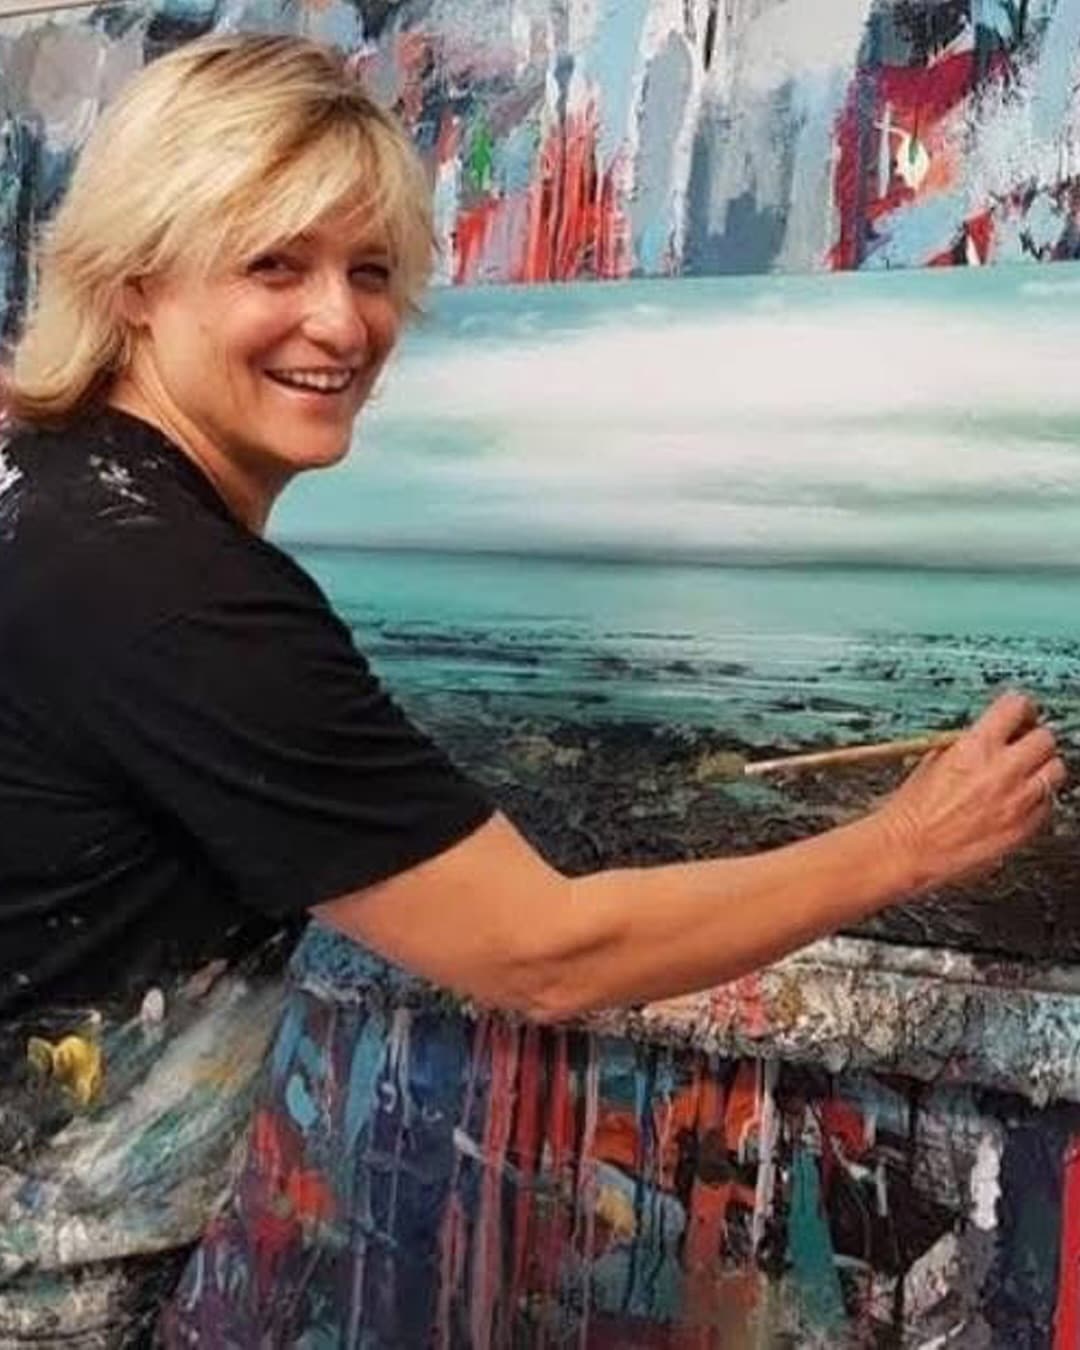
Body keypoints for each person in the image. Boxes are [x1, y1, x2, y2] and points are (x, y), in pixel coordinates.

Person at [0, 32, 1064, 1346]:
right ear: (136, 282)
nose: (342, 322)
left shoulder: (40, 488)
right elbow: (543, 951)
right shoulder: (177, 593)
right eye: (273, 264)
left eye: (371, 271)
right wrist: (906, 845)